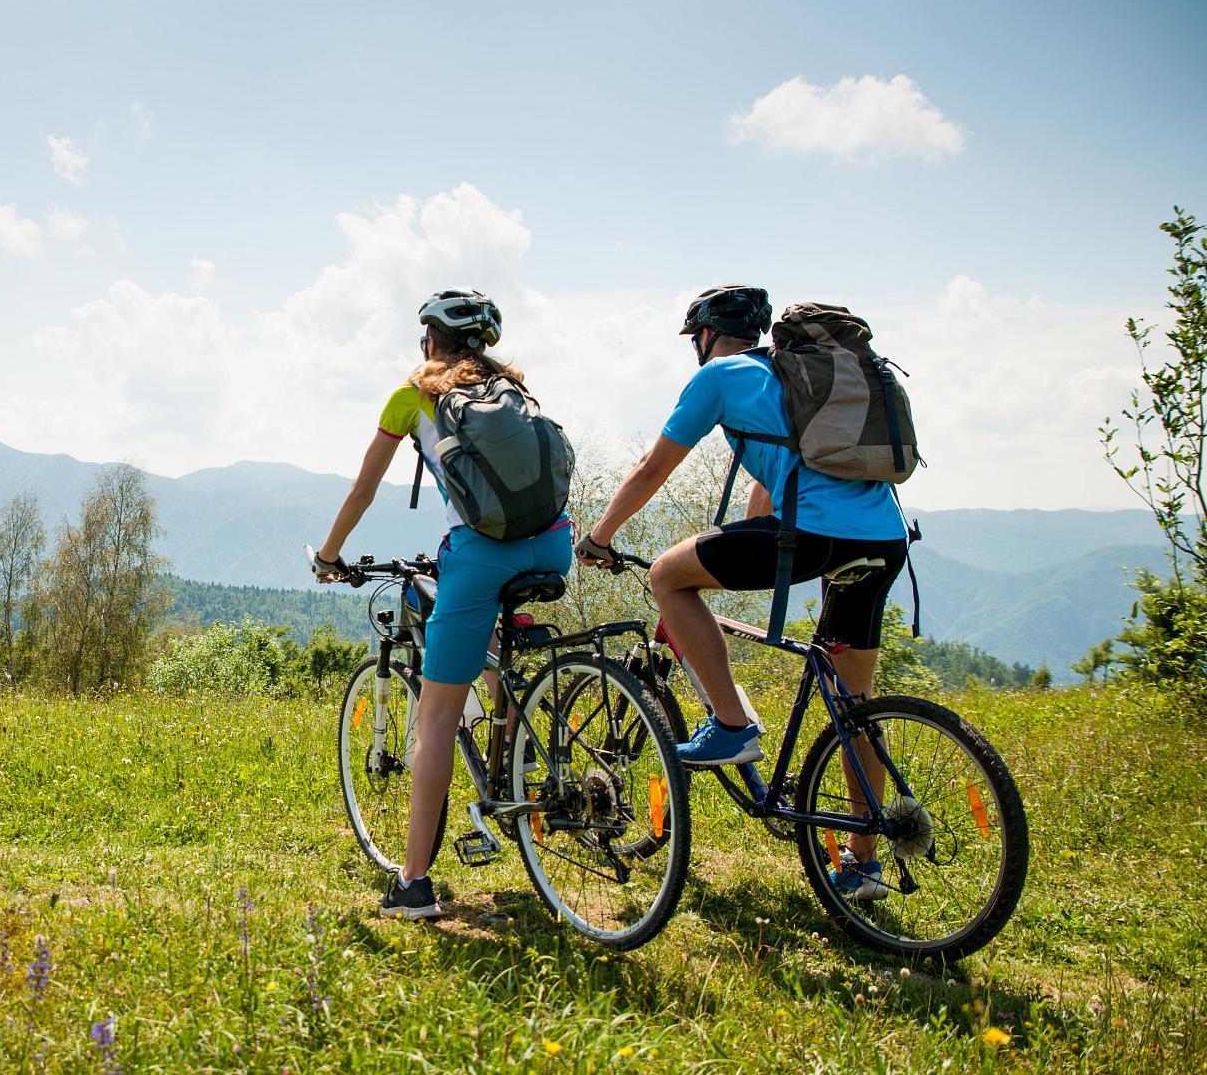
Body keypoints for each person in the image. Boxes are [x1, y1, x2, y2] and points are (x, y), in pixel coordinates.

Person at [574, 284, 909, 901]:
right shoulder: (790, 377)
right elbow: (776, 478)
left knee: (668, 576)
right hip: (886, 538)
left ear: (704, 335)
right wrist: (752, 533)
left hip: (814, 535)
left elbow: (653, 467)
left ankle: (732, 724)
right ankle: (864, 861)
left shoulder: (720, 377)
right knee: (854, 698)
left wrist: (600, 537)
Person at [312, 290, 576, 920]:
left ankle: (413, 883)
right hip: (554, 546)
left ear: (429, 340)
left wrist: (329, 555)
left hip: (482, 554)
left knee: (435, 719)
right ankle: (517, 729)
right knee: (488, 638)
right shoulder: (514, 389)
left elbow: (363, 488)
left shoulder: (413, 397)